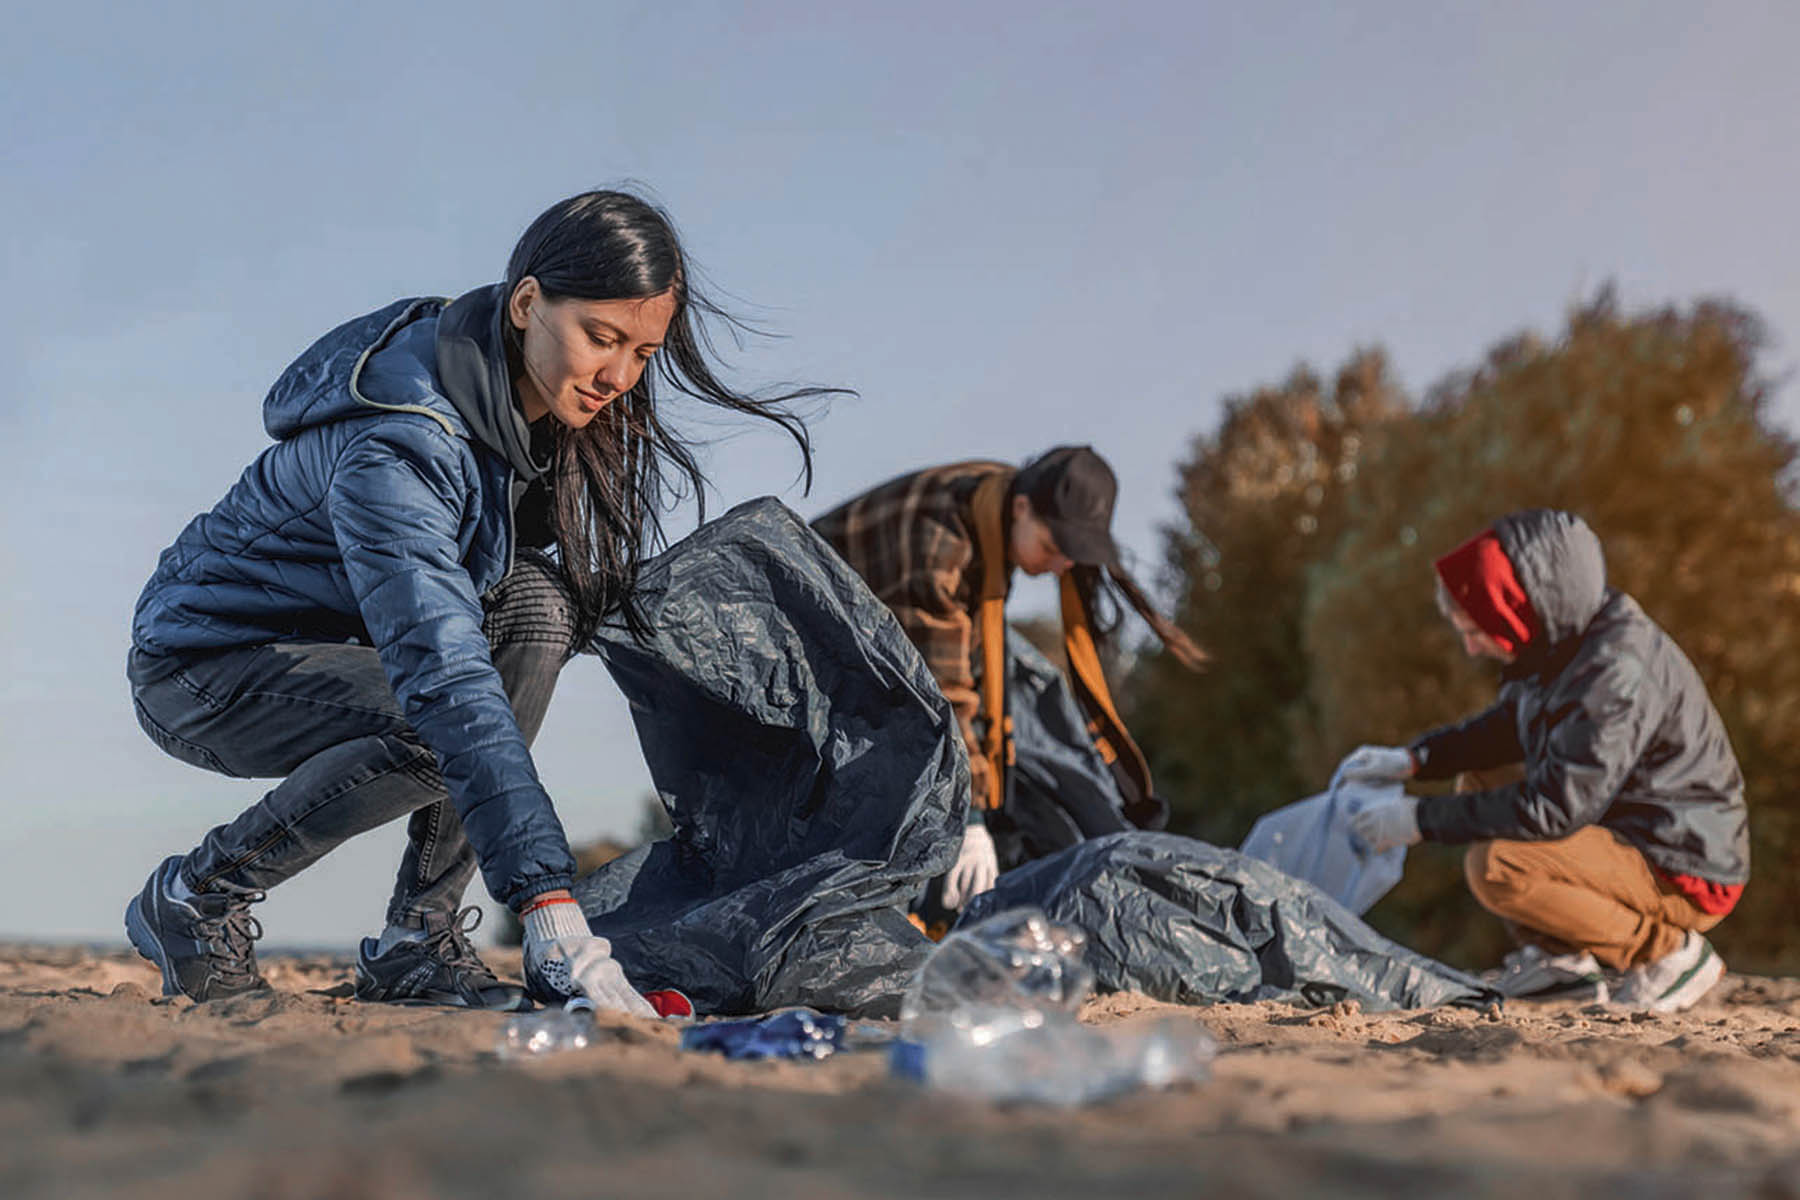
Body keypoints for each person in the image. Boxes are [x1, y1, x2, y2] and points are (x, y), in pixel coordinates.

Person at [124, 190, 829, 1012]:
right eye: (601, 338)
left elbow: (511, 622)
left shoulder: (523, 422)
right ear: (528, 302)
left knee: (538, 605)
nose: (618, 376)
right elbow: (443, 674)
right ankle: (197, 896)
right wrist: (546, 901)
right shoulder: (403, 445)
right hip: (204, 666)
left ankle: (416, 939)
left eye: (641, 353)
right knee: (442, 716)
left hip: (344, 647)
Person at [1339, 509, 1750, 1013]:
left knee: (1497, 866)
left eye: (1475, 630)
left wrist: (1418, 820)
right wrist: (1414, 759)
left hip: (1683, 864)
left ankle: (1668, 955)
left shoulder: (1615, 668)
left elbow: (1554, 807)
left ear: (1518, 607)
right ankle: (1562, 964)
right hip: (1629, 833)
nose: (1471, 648)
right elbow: (1507, 728)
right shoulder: (1561, 642)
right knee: (1477, 777)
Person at [812, 447, 1205, 917]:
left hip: (878, 645)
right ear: (1023, 509)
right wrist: (970, 822)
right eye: (1055, 547)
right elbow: (942, 697)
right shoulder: (940, 549)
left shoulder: (999, 496)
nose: (1062, 566)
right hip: (811, 653)